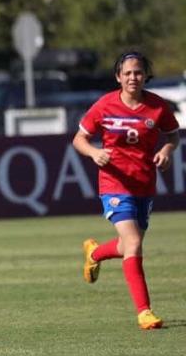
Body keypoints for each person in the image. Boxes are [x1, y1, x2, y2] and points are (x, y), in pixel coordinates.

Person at [74, 51, 179, 330]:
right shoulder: (105, 105)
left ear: (145, 76)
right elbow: (79, 139)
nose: (133, 77)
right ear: (118, 77)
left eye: (138, 72)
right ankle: (144, 311)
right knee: (134, 243)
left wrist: (167, 150)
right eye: (128, 73)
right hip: (114, 183)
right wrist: (94, 153)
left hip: (144, 184)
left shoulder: (157, 107)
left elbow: (172, 135)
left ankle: (94, 254)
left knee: (125, 245)